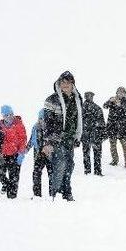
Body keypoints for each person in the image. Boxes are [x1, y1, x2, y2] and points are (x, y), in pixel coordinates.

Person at [42, 71, 83, 201]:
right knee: (60, 165)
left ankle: (65, 191)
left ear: (73, 84)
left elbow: (79, 119)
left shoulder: (77, 99)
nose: (65, 85)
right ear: (58, 84)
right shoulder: (51, 100)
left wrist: (78, 136)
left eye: (68, 82)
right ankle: (55, 194)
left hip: (70, 138)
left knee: (69, 165)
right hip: (55, 138)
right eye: (63, 82)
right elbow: (47, 122)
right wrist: (48, 142)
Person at [0, 105, 27, 199]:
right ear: (3, 116)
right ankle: (6, 184)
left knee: (14, 177)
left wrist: (21, 153)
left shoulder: (18, 124)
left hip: (15, 154)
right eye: (6, 115)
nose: (9, 116)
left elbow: (23, 139)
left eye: (11, 114)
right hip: (2, 154)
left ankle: (12, 198)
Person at [104, 86, 126, 168]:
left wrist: (120, 105)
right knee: (113, 146)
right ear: (116, 93)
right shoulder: (112, 99)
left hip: (122, 128)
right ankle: (115, 160)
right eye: (119, 92)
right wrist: (109, 101)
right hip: (112, 127)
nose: (120, 94)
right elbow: (104, 106)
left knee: (125, 147)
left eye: (122, 92)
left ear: (125, 94)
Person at [27, 110, 52, 197]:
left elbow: (55, 142)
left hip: (50, 155)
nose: (42, 121)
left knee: (52, 174)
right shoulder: (35, 127)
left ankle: (53, 194)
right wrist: (25, 150)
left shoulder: (52, 128)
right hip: (38, 155)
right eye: (41, 118)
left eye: (44, 119)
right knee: (36, 173)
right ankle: (37, 195)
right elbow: (32, 140)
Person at [82, 92, 106, 176]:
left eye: (91, 96)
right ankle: (91, 171)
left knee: (93, 154)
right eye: (88, 96)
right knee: (89, 154)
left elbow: (102, 123)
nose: (90, 97)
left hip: (94, 134)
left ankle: (93, 171)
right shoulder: (82, 108)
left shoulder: (95, 108)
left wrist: (103, 133)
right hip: (90, 134)